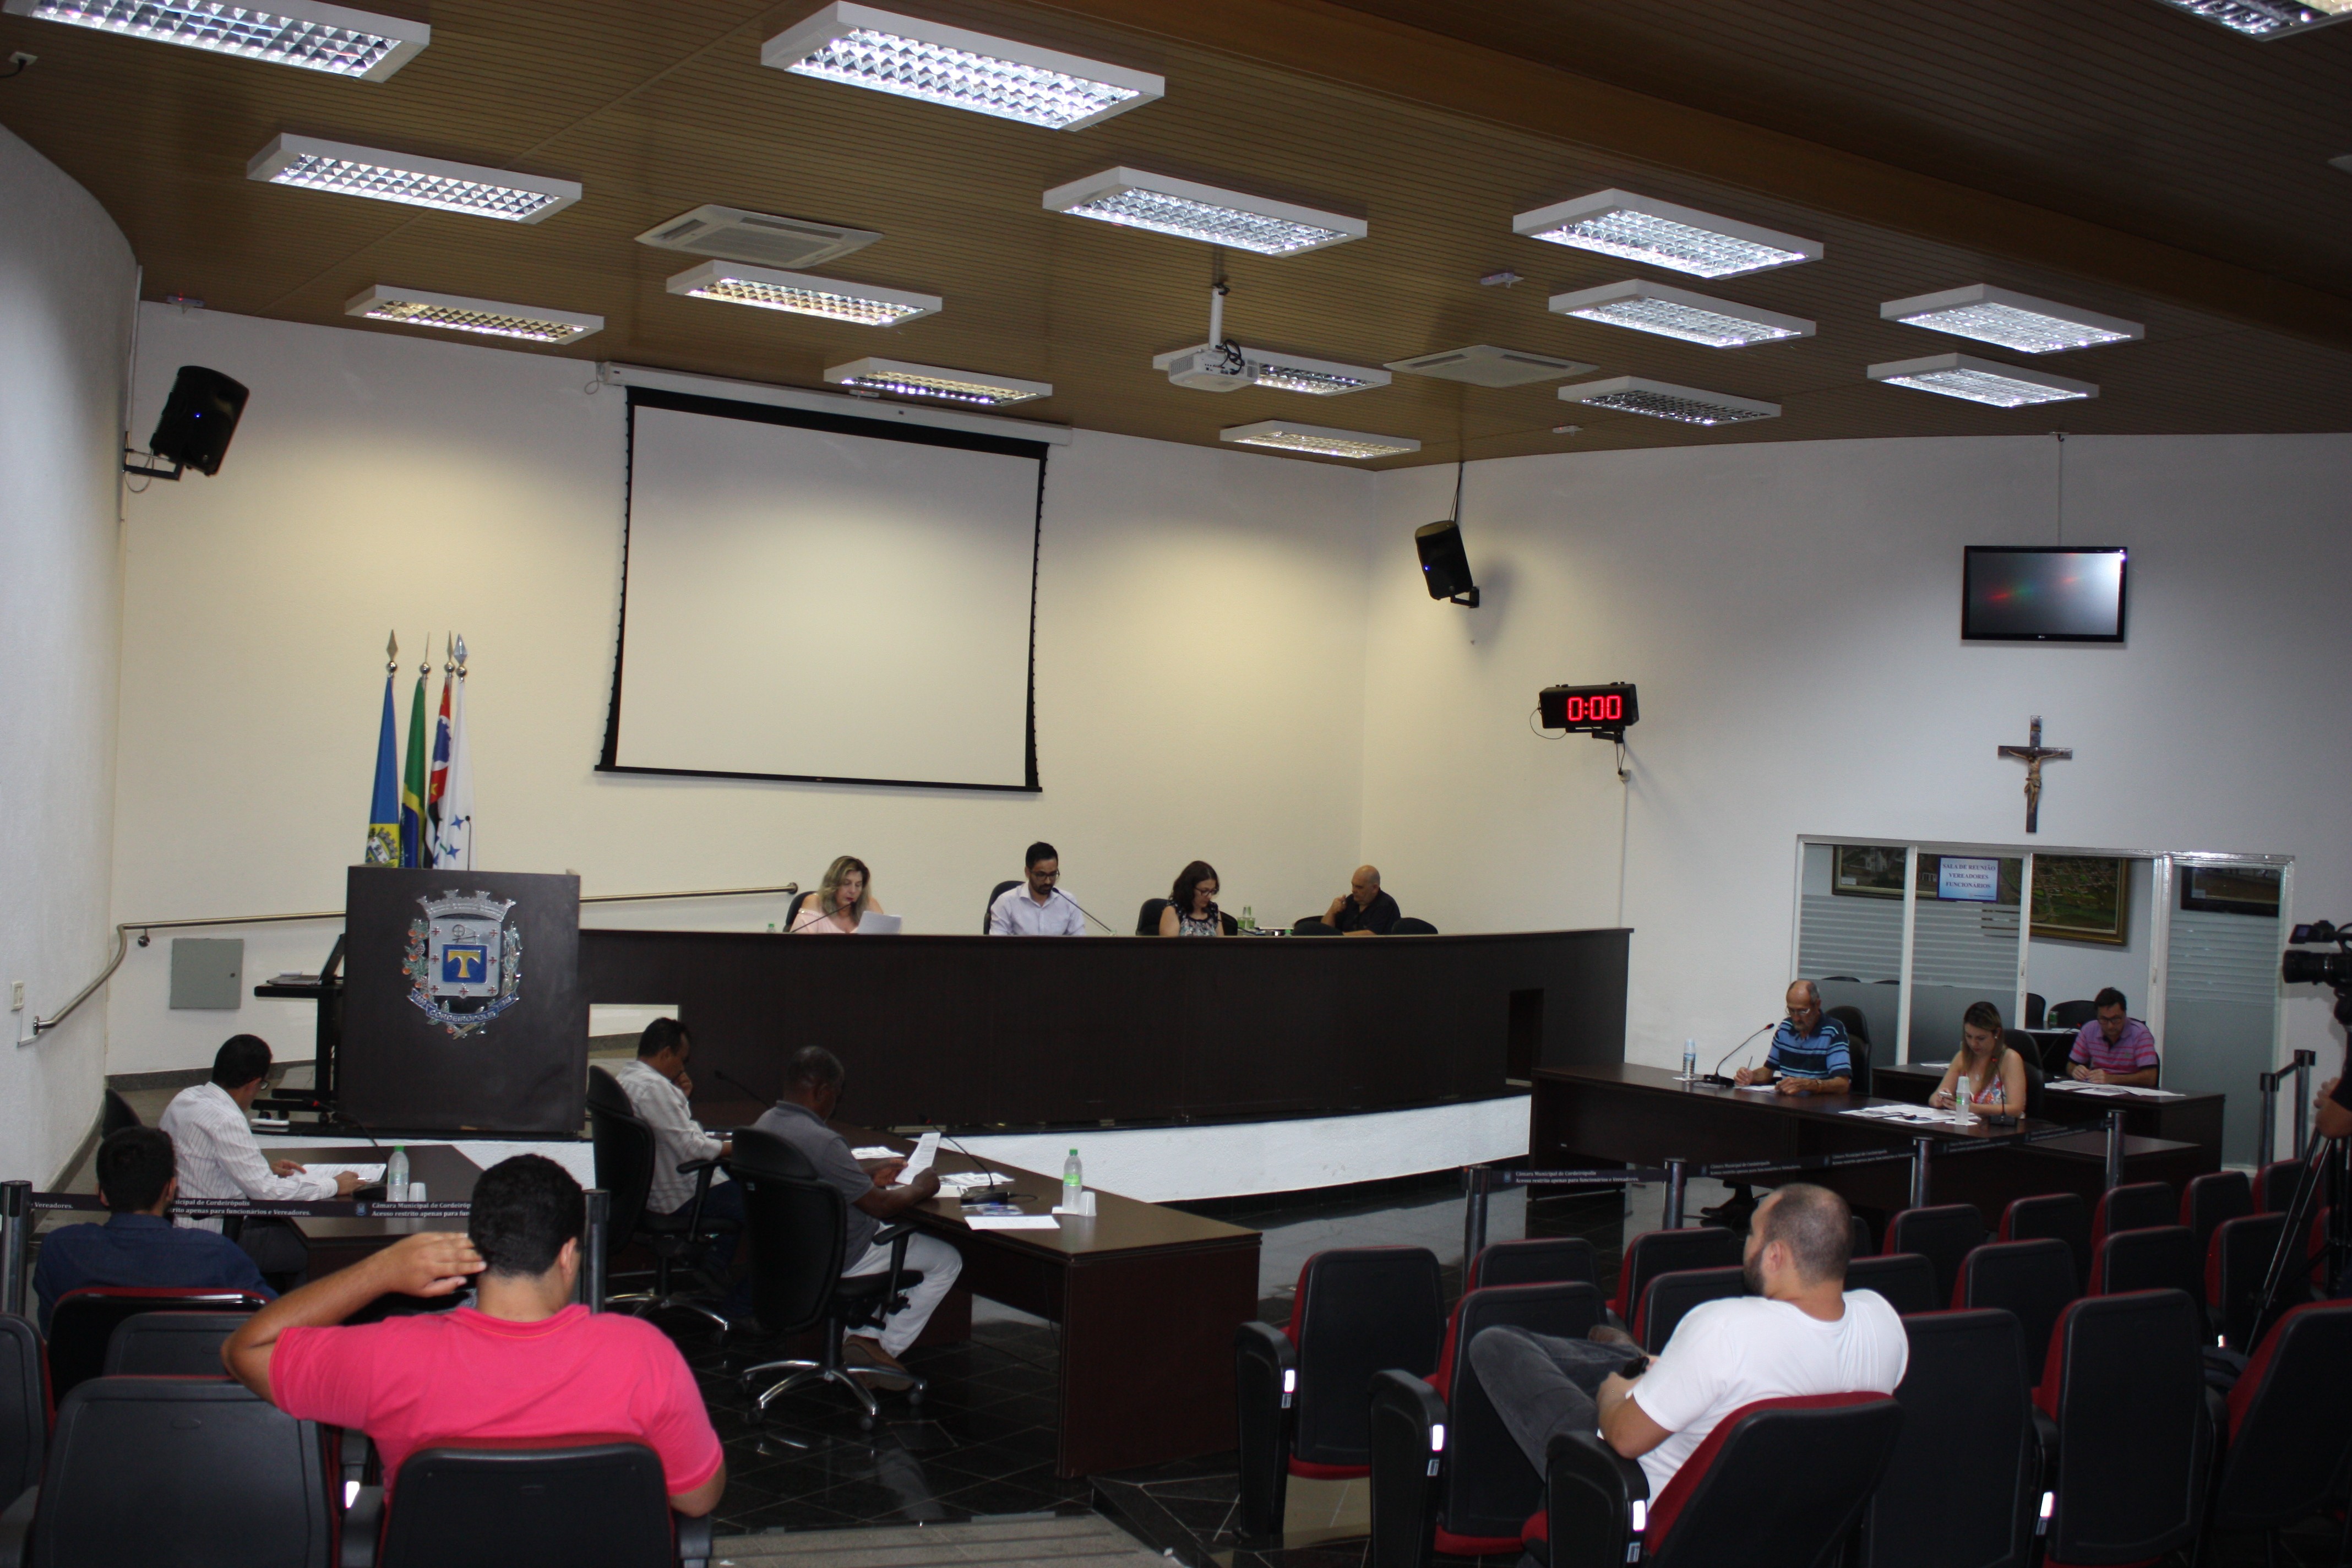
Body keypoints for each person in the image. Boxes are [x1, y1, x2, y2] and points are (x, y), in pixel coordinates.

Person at [223, 1154, 725, 1516]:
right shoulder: (644, 1354)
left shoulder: (391, 1355)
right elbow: (698, 1500)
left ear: (476, 1244)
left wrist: (379, 1271)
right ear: (568, 1254)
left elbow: (243, 1350)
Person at [1467, 1184, 1904, 1512]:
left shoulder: (1725, 1329)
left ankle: (1632, 1367)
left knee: (1499, 1345)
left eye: (1752, 1235)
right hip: (1779, 1518)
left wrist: (1613, 1395)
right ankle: (1640, 1361)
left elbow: (1624, 1440)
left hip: (1638, 1493)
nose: (1746, 1245)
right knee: (1644, 1366)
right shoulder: (1884, 1322)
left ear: (1775, 1256)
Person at [750, 1046, 963, 1390]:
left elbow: (809, 1179)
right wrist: (921, 1187)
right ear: (822, 1091)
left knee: (887, 1236)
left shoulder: (764, 1125)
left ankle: (863, 1339)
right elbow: (881, 1207)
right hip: (843, 1255)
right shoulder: (823, 1141)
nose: (836, 1103)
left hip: (788, 1253)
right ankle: (877, 1349)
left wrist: (864, 1175)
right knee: (948, 1260)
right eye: (837, 1095)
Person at [159, 1033, 362, 1279]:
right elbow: (268, 1194)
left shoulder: (185, 1098)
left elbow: (201, 1163)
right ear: (254, 1083)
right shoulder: (226, 1119)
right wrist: (334, 1185)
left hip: (181, 1224)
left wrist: (263, 1170)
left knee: (293, 1228)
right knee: (325, 1252)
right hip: (218, 1236)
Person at [32, 1126, 273, 1331]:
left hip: (87, 1375)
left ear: (101, 1193)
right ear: (171, 1189)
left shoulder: (59, 1250)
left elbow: (51, 1329)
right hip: (189, 1373)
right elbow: (270, 1321)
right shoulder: (218, 1254)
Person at [1703, 982, 1853, 1221]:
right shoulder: (1785, 1029)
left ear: (1817, 1005)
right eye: (1791, 1010)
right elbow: (1768, 1070)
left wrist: (1809, 1085)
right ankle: (1742, 1199)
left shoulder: (1833, 1031)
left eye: (1802, 1011)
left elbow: (1843, 1083)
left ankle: (1795, 1206)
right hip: (1787, 1107)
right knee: (1742, 1123)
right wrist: (1751, 1076)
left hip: (1819, 1114)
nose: (1796, 1017)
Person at [614, 1017, 742, 1279]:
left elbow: (664, 1133)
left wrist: (680, 1099)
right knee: (757, 1205)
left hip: (644, 1196)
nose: (683, 1068)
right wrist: (738, 1146)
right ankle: (714, 1267)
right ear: (666, 1054)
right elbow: (692, 1149)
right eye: (682, 1060)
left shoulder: (627, 1079)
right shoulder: (655, 1088)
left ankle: (707, 1262)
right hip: (677, 1198)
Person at [1930, 1001, 2029, 1117]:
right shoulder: (1962, 1057)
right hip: (1967, 1124)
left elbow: (2016, 1109)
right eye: (1969, 1036)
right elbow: (1934, 1098)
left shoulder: (2010, 1059)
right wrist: (1940, 1099)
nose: (1973, 1044)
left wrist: (1973, 1108)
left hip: (1999, 1126)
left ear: (1997, 1033)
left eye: (1981, 1038)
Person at [2067, 988, 2160, 1086]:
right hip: (2096, 1089)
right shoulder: (2088, 1030)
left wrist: (2111, 1079)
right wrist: (2075, 1071)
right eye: (2104, 1020)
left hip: (2129, 1092)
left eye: (2115, 1019)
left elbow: (2151, 1078)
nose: (2110, 1026)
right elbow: (2071, 1065)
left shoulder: (2140, 1034)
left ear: (2125, 1014)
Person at [989, 841, 1085, 936]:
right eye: (1041, 875)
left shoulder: (1068, 902)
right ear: (1027, 872)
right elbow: (996, 944)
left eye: (1053, 875)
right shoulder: (1006, 902)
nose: (1048, 881)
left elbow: (1080, 942)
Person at [1298, 865, 1401, 937]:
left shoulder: (1386, 905)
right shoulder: (1351, 901)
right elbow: (1325, 931)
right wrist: (1332, 911)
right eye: (1353, 885)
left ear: (1374, 888)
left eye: (1359, 887)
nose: (1353, 890)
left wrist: (1339, 937)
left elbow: (1372, 934)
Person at [792, 856, 883, 934]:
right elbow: (798, 945)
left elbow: (885, 944)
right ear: (833, 885)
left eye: (858, 885)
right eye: (846, 883)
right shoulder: (815, 903)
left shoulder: (870, 905)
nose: (853, 891)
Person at [1158, 861, 1225, 937]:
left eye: (1212, 891)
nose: (1209, 896)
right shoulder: (1174, 911)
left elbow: (1222, 943)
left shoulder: (1213, 911)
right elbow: (1169, 944)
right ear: (1189, 889)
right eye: (1204, 891)